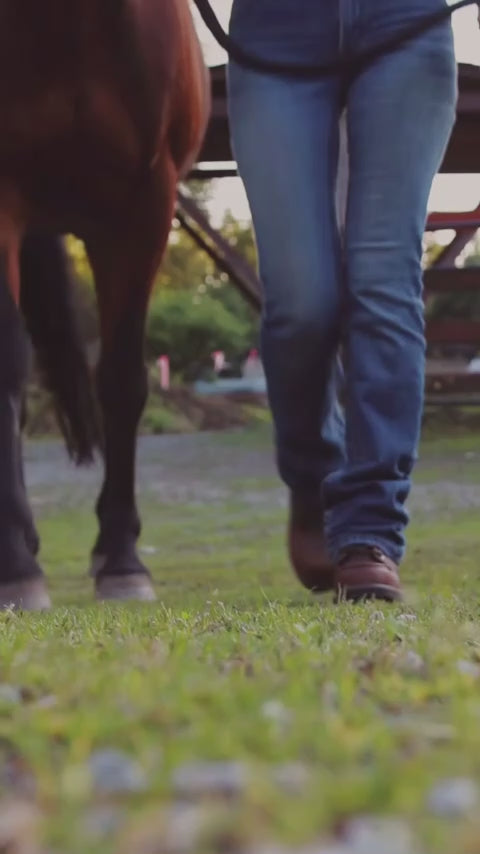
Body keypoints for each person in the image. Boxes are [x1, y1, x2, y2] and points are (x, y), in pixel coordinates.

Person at [227, 0, 457, 601]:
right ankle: (313, 476)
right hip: (276, 27)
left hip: (404, 21)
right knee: (302, 300)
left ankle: (368, 531)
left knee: (383, 282)